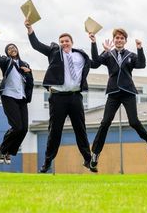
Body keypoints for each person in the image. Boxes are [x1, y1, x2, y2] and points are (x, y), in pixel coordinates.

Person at [25, 19, 99, 173]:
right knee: (54, 131)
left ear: (72, 42)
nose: (64, 43)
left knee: (80, 129)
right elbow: (36, 45)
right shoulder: (54, 52)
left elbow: (96, 63)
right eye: (62, 41)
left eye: (67, 41)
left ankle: (87, 160)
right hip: (58, 97)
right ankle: (47, 162)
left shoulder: (81, 56)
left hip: (75, 97)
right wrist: (30, 29)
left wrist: (93, 42)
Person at [89, 29, 147, 172]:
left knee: (133, 122)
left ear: (125, 41)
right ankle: (95, 154)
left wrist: (140, 48)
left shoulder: (131, 55)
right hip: (113, 93)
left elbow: (142, 64)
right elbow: (95, 62)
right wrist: (94, 43)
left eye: (121, 38)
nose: (119, 40)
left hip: (128, 92)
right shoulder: (108, 54)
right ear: (114, 40)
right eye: (117, 38)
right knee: (105, 122)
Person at [0, 36, 34, 165]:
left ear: (17, 50)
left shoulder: (25, 65)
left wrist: (29, 72)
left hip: (22, 98)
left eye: (14, 47)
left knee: (24, 129)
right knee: (17, 126)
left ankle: (8, 151)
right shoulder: (6, 61)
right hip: (9, 95)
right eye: (9, 49)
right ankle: (2, 148)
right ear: (7, 53)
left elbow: (30, 83)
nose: (12, 49)